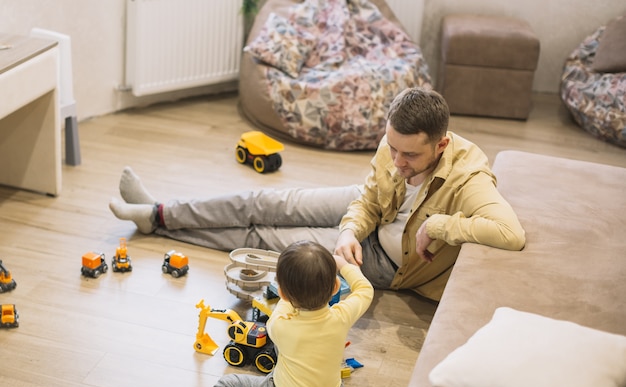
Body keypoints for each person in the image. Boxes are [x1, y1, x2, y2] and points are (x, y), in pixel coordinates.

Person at [109, 87, 525, 301]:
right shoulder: (397, 146)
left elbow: (511, 233)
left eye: (409, 155)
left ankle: (158, 226)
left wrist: (439, 224)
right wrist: (348, 229)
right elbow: (367, 197)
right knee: (264, 203)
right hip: (367, 218)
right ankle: (160, 211)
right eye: (391, 148)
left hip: (383, 259)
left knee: (263, 239)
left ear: (441, 145)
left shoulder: (469, 175)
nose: (397, 161)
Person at [212, 240, 374, 387]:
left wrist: (287, 292)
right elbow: (365, 289)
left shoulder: (280, 326)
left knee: (223, 386)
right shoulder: (342, 316)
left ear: (282, 293)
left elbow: (282, 307)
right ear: (335, 287)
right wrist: (342, 264)